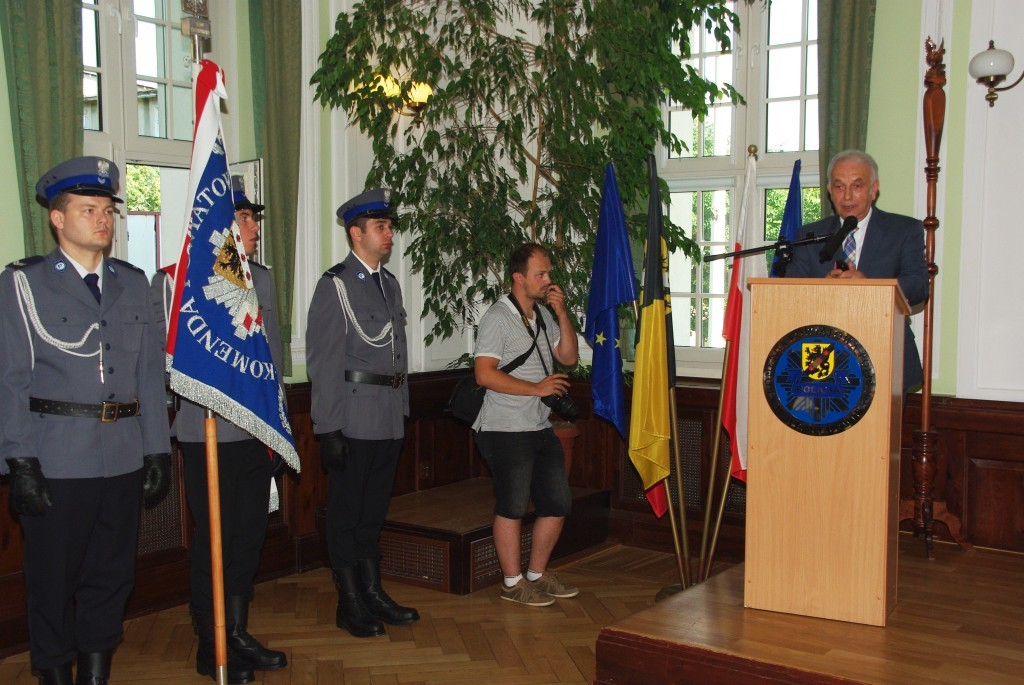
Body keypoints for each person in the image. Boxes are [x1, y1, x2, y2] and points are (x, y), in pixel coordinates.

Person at [0, 156, 171, 685]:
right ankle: (55, 676)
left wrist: (157, 449)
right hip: (57, 460)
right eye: (88, 209)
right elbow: (11, 378)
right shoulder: (24, 284)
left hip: (120, 456)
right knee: (52, 582)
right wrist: (19, 461)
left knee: (111, 578)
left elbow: (148, 376)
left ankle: (95, 675)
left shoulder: (132, 281)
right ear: (57, 218)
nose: (103, 220)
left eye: (108, 210)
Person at [150, 176, 288, 684]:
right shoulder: (177, 281)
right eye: (245, 218)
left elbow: (272, 361)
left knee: (249, 539)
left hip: (255, 433)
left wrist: (277, 431)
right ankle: (211, 642)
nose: (253, 227)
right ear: (219, 223)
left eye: (254, 217)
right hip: (204, 431)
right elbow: (161, 365)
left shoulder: (264, 280)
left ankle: (239, 631)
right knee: (214, 542)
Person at [306, 188, 419, 638]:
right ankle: (349, 600)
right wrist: (327, 428)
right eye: (380, 227)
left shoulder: (388, 284)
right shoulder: (334, 286)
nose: (389, 233)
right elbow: (324, 362)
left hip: (388, 416)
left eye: (389, 226)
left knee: (373, 512)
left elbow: (398, 355)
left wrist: (404, 409)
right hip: (353, 419)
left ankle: (373, 591)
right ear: (356, 233)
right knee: (347, 514)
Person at [472, 243, 581, 607]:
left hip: (538, 425)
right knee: (513, 505)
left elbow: (568, 357)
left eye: (548, 273)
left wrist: (561, 311)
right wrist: (536, 388)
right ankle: (512, 582)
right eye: (540, 274)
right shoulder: (497, 318)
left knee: (557, 502)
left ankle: (536, 574)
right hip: (503, 427)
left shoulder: (543, 315)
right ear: (518, 277)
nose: (548, 279)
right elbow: (484, 374)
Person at [787, 149, 929, 394]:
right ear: (830, 191)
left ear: (874, 189)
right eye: (840, 187)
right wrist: (823, 286)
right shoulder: (809, 236)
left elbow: (918, 287)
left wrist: (871, 284)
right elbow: (790, 292)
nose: (848, 196)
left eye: (857, 185)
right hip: (822, 361)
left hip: (886, 355)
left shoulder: (904, 230)